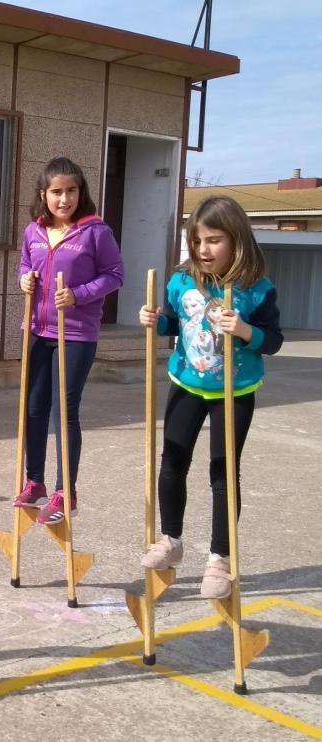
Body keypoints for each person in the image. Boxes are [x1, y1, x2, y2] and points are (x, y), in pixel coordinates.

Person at [139, 196, 282, 599]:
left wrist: (244, 330)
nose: (203, 249)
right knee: (171, 462)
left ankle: (220, 557)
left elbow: (273, 341)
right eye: (197, 241)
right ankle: (171, 540)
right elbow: (173, 320)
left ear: (236, 240)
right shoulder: (181, 280)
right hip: (187, 383)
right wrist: (156, 320)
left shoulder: (258, 290)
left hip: (233, 391)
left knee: (222, 472)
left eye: (214, 240)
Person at [13, 156, 125, 524]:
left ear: (81, 192)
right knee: (33, 408)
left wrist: (78, 294)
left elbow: (114, 275)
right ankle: (35, 481)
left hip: (75, 334)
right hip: (37, 330)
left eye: (71, 191)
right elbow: (25, 265)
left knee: (65, 411)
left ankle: (66, 492)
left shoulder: (96, 232)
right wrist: (24, 279)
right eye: (57, 192)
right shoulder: (35, 231)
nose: (64, 199)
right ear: (43, 194)